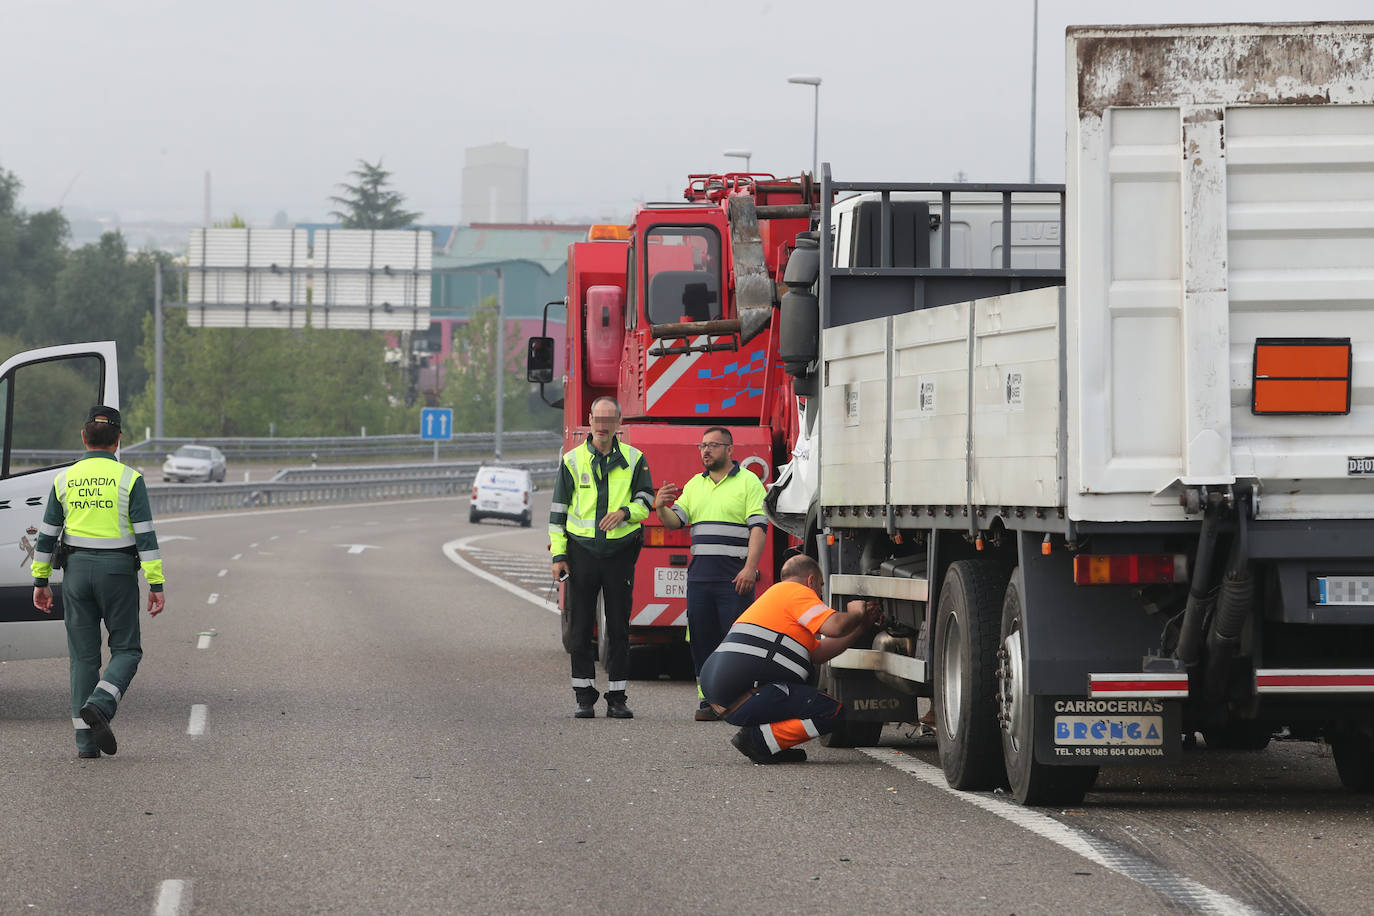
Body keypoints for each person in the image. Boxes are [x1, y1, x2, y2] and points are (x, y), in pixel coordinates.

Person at [31, 406, 166, 759]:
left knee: (83, 659)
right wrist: (156, 584)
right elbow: (146, 538)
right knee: (127, 650)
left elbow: (46, 536)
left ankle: (85, 744)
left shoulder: (64, 480)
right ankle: (102, 703)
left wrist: (40, 580)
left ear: (83, 437)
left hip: (75, 572)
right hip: (118, 573)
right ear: (119, 440)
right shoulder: (130, 479)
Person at [699, 554, 879, 764]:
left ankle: (770, 745)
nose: (820, 595)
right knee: (831, 711)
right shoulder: (796, 591)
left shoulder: (775, 599)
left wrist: (860, 629)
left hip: (727, 697)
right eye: (820, 586)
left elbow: (819, 654)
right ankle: (759, 741)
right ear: (811, 581)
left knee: (804, 691)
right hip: (745, 695)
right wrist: (856, 613)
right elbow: (836, 626)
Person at [550, 396, 654, 719]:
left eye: (610, 421)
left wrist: (625, 512)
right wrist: (559, 555)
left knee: (620, 629)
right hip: (582, 553)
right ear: (590, 421)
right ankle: (584, 695)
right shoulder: (571, 461)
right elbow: (557, 513)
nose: (603, 426)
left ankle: (618, 697)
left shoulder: (636, 460)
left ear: (619, 424)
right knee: (580, 629)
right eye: (598, 420)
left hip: (619, 553)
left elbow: (646, 501)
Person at [653, 426, 767, 721]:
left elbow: (758, 529)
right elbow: (674, 522)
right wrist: (661, 507)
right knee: (701, 639)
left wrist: (749, 569)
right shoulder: (694, 484)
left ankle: (736, 699)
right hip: (700, 579)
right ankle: (708, 701)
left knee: (735, 640)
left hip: (733, 578)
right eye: (703, 445)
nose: (706, 450)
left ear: (730, 450)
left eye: (713, 445)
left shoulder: (748, 482)